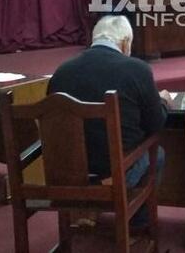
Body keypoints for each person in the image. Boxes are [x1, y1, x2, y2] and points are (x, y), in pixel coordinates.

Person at [48, 16, 172, 227]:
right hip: (115, 174)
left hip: (67, 175)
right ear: (124, 42)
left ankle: (88, 209)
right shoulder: (137, 69)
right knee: (156, 153)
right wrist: (163, 103)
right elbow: (155, 125)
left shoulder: (61, 71)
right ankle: (136, 228)